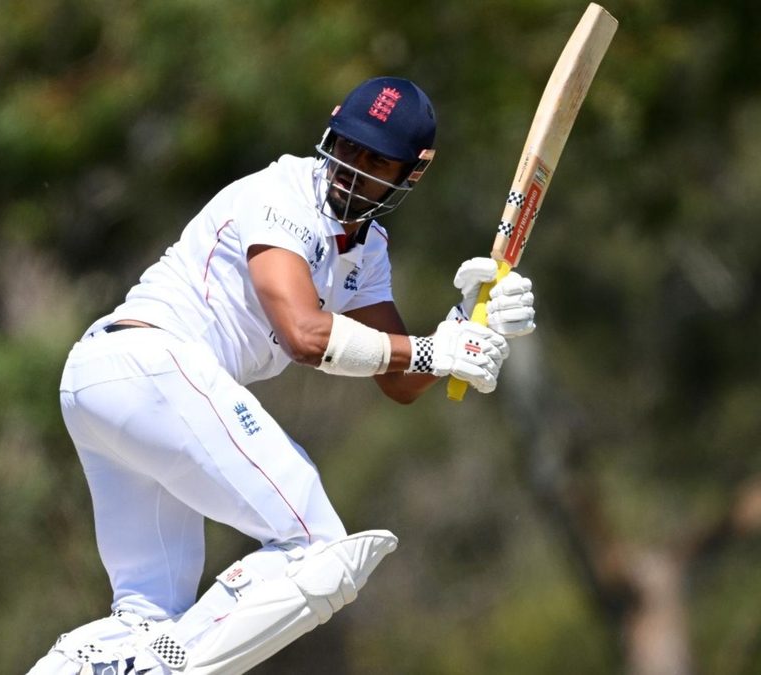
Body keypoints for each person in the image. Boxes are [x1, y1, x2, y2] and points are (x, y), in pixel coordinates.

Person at [28, 76, 537, 675]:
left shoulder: (366, 249)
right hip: (150, 367)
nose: (352, 168)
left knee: (148, 615)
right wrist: (436, 352)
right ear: (329, 132)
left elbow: (399, 379)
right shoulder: (283, 195)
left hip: (110, 386)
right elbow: (304, 334)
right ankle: (163, 667)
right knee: (317, 548)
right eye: (346, 146)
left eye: (376, 160)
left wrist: (464, 324)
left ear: (412, 172)